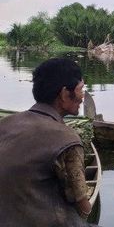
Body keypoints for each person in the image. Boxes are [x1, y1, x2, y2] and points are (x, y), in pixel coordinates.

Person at [0, 58, 91, 226]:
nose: (83, 96)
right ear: (64, 94)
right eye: (81, 89)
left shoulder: (5, 124)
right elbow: (82, 205)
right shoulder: (67, 139)